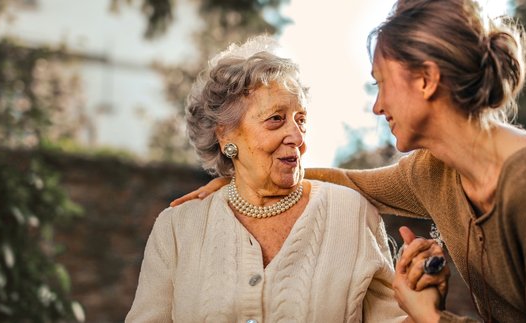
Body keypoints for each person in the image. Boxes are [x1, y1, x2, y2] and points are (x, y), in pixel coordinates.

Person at [170, 1, 526, 322]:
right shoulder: (434, 171)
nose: (377, 107)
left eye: (382, 84)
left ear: (426, 80)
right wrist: (246, 180)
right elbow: (352, 182)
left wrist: (429, 318)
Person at [126, 35, 443, 322]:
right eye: (276, 119)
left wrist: (421, 308)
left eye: (301, 119)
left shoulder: (351, 212)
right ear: (225, 136)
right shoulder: (178, 228)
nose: (296, 135)